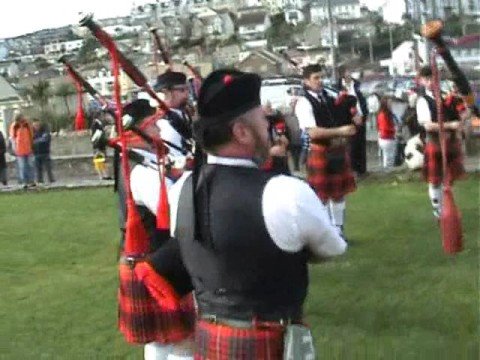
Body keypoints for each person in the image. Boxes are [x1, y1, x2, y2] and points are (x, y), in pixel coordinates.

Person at [170, 69, 346, 359]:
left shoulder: (181, 190)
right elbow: (333, 248)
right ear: (241, 131)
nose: (269, 128)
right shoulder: (286, 192)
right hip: (266, 341)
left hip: (209, 337)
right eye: (262, 120)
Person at [118, 99, 196, 360]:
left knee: (159, 340)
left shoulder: (143, 161)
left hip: (147, 256)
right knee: (181, 339)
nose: (160, 132)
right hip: (156, 259)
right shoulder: (140, 170)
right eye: (154, 126)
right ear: (139, 130)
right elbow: (175, 209)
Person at [295, 64, 357, 240]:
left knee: (339, 195)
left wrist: (353, 115)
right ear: (306, 81)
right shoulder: (303, 103)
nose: (320, 81)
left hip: (337, 150)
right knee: (320, 197)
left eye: (322, 77)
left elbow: (344, 116)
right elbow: (313, 132)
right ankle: (323, 234)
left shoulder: (329, 98)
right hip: (320, 151)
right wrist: (341, 131)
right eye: (316, 78)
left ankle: (338, 232)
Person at [416, 66, 466, 219]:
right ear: (422, 81)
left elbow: (462, 112)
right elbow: (428, 125)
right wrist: (450, 125)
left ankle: (449, 206)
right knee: (435, 179)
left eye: (433, 78)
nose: (431, 82)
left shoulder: (448, 96)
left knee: (449, 179)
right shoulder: (423, 101)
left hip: (451, 143)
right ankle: (437, 208)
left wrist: (463, 117)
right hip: (435, 143)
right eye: (427, 79)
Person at [153, 71, 195, 169]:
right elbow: (176, 158)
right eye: (182, 90)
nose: (187, 94)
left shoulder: (184, 113)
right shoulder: (163, 123)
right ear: (166, 93)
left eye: (188, 90)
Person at [337, 68, 369, 175]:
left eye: (350, 72)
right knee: (351, 145)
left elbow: (363, 99)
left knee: (361, 143)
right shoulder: (338, 87)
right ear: (342, 74)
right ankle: (353, 169)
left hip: (361, 116)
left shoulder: (357, 85)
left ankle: (362, 169)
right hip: (349, 119)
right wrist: (353, 115)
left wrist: (364, 114)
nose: (349, 74)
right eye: (347, 72)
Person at [9, 113, 35, 188]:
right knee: (23, 166)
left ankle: (31, 181)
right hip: (19, 150)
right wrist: (15, 149)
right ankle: (25, 182)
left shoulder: (27, 125)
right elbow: (13, 139)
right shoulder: (14, 126)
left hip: (28, 148)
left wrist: (31, 146)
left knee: (30, 165)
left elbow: (31, 135)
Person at [376, 97, 397, 169]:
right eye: (389, 103)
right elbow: (384, 127)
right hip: (387, 138)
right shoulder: (383, 115)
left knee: (388, 156)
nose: (391, 105)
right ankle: (387, 171)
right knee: (389, 157)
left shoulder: (385, 114)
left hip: (386, 137)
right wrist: (394, 130)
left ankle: (387, 171)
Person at [32, 119, 55, 184]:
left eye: (37, 125)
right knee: (38, 170)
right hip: (36, 153)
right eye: (35, 125)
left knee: (48, 169)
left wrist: (35, 141)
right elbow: (31, 142)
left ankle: (52, 181)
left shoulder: (45, 131)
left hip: (45, 152)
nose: (36, 127)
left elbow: (46, 140)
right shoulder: (32, 132)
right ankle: (40, 182)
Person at [90, 112, 111, 180]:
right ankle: (102, 175)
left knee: (101, 160)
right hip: (98, 145)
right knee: (99, 160)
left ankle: (104, 174)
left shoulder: (99, 123)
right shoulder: (95, 124)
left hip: (100, 145)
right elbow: (96, 135)